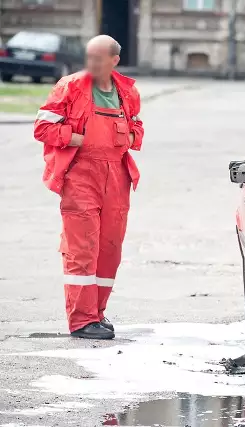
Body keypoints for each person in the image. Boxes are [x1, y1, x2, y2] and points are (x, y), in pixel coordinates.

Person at [33, 35, 144, 340]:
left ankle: (97, 313)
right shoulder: (69, 86)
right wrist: (74, 137)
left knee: (110, 249)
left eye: (99, 58)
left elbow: (137, 125)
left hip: (117, 176)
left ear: (114, 61)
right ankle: (81, 321)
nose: (92, 63)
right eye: (89, 57)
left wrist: (130, 137)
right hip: (81, 175)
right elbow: (42, 127)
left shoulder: (127, 91)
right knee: (82, 249)